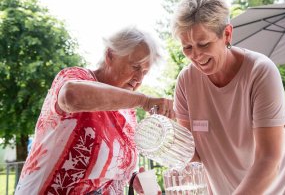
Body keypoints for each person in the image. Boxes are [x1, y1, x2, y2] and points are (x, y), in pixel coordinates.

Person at [171, 0, 285, 195]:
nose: (196, 55)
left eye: (203, 44)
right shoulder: (186, 82)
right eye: (187, 47)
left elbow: (268, 159)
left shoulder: (260, 72)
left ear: (227, 34)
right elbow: (190, 153)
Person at [15, 26, 173, 194]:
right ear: (110, 55)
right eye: (135, 67)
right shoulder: (76, 78)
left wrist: (133, 178)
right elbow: (71, 96)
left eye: (145, 72)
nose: (139, 78)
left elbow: (112, 166)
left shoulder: (128, 112)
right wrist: (144, 100)